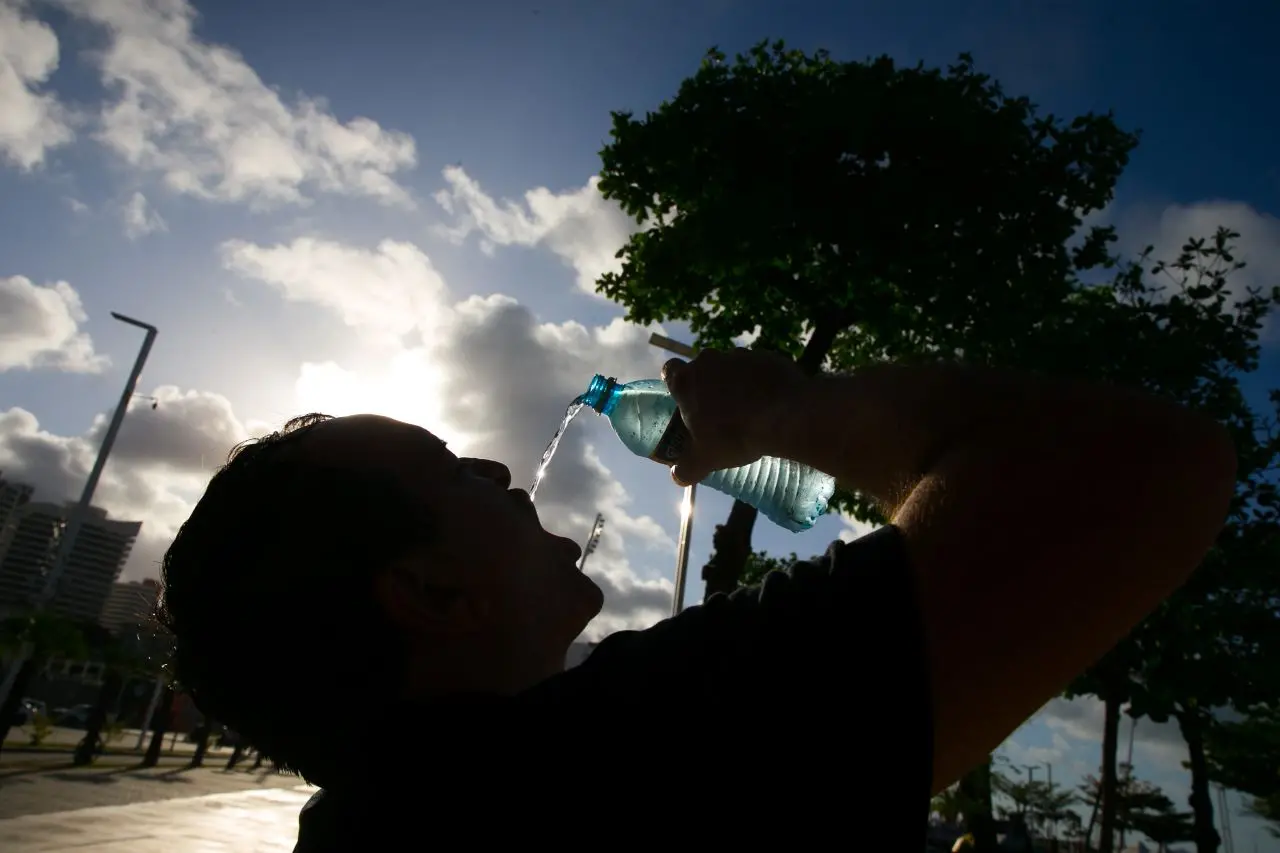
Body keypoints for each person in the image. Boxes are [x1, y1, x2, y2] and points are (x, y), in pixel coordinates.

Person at [157, 349, 1235, 849]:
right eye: (449, 468)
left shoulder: (377, 819)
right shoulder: (599, 764)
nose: (493, 467)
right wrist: (794, 410)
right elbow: (1136, 464)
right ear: (432, 591)